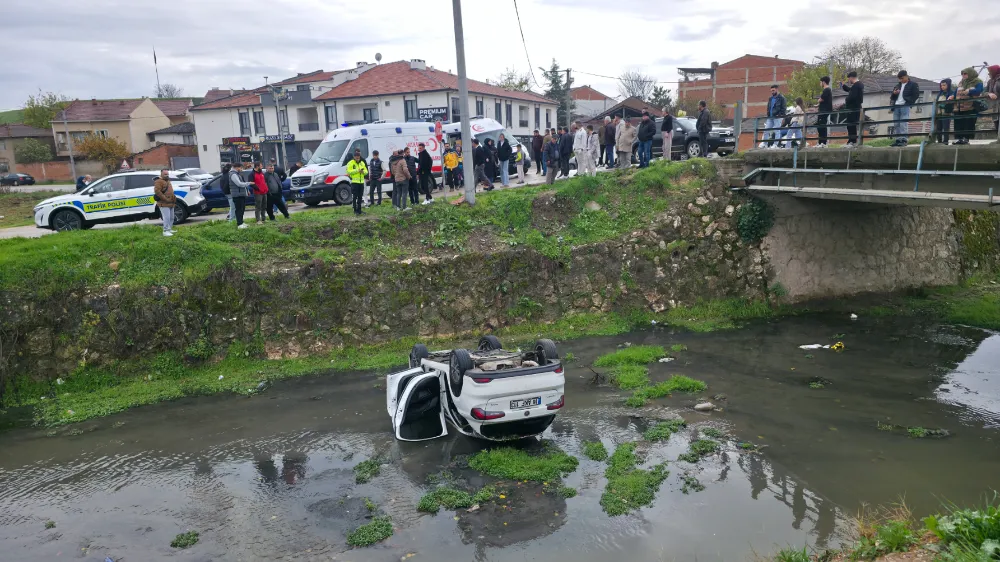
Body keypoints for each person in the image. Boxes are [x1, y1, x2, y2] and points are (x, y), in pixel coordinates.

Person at [888, 70, 921, 147]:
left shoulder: (913, 84)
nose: (900, 80)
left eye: (902, 78)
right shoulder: (897, 85)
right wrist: (894, 93)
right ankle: (898, 140)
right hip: (896, 106)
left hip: (905, 105)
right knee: (896, 124)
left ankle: (904, 140)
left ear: (906, 76)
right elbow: (892, 97)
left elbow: (916, 95)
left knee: (903, 123)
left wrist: (909, 103)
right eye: (899, 79)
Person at [952, 67, 984, 145]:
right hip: (959, 106)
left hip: (970, 106)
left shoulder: (977, 81)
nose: (963, 75)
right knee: (959, 123)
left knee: (968, 123)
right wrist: (952, 96)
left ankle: (966, 139)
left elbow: (978, 91)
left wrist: (969, 91)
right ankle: (959, 139)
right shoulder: (961, 82)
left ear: (970, 73)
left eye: (965, 73)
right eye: (962, 74)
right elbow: (956, 91)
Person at [840, 72, 864, 147]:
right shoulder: (857, 85)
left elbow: (852, 96)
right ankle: (851, 140)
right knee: (850, 124)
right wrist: (843, 85)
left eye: (849, 78)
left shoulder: (857, 85)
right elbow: (850, 90)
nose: (848, 80)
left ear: (851, 77)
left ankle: (852, 141)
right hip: (854, 108)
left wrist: (847, 99)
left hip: (853, 108)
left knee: (851, 125)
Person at [153, 169, 176, 237]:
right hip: (163, 203)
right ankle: (165, 231)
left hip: (171, 202)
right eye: (165, 174)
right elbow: (157, 192)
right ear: (161, 174)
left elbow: (171, 191)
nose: (167, 175)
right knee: (166, 217)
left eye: (167, 174)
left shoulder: (168, 181)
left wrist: (174, 198)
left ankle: (169, 229)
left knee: (171, 217)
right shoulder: (158, 181)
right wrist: (165, 199)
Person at [228, 162, 250, 229]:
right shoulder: (233, 174)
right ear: (237, 167)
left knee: (242, 209)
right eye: (241, 167)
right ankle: (239, 224)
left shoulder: (237, 174)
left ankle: (241, 222)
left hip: (241, 194)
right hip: (237, 195)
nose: (241, 169)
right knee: (239, 210)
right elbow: (239, 184)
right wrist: (248, 183)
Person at [347, 149, 368, 215]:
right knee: (355, 196)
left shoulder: (362, 163)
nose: (357, 159)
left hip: (361, 182)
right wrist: (357, 170)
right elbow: (349, 171)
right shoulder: (351, 163)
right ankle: (355, 210)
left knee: (360, 197)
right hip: (354, 182)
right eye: (356, 158)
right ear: (354, 157)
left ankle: (359, 210)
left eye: (358, 158)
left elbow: (366, 171)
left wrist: (363, 172)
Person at [935, 79, 955, 144]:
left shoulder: (951, 93)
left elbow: (951, 103)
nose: (942, 87)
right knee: (938, 128)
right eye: (941, 85)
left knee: (946, 127)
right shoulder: (940, 93)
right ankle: (939, 141)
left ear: (948, 85)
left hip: (946, 112)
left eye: (944, 85)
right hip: (939, 113)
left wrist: (943, 106)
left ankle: (945, 141)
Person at [816, 76, 833, 147]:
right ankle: (821, 142)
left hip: (824, 110)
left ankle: (823, 142)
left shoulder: (827, 90)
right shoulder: (827, 90)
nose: (820, 84)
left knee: (821, 126)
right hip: (823, 110)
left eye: (820, 82)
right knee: (820, 125)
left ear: (823, 82)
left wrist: (819, 100)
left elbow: (821, 99)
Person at [986, 65, 1000, 135]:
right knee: (996, 124)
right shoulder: (990, 81)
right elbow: (984, 92)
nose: (989, 74)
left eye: (990, 72)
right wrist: (989, 94)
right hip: (994, 106)